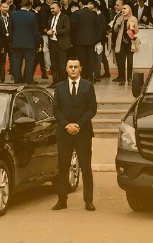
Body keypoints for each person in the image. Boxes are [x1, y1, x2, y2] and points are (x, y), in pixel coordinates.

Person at [51, 57, 96, 212]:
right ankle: (62, 200)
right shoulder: (59, 87)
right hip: (64, 133)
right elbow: (55, 109)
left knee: (86, 167)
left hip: (83, 132)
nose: (73, 69)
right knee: (63, 167)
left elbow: (92, 109)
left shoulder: (88, 86)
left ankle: (88, 201)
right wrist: (66, 125)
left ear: (80, 68)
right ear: (66, 68)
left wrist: (78, 125)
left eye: (75, 67)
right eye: (70, 67)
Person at [9, 0, 39, 85]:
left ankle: (17, 79)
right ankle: (29, 79)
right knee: (29, 62)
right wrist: (37, 43)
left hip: (16, 42)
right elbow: (35, 31)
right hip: (30, 43)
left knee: (17, 62)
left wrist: (11, 40)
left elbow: (10, 29)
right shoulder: (32, 15)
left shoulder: (13, 15)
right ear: (29, 6)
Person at [70, 0, 99, 82]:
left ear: (80, 3)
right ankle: (90, 77)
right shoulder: (93, 14)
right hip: (91, 40)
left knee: (81, 59)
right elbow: (97, 27)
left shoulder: (77, 14)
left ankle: (83, 77)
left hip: (79, 40)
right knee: (90, 59)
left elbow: (73, 28)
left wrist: (73, 41)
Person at [46, 2, 71, 86]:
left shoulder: (65, 17)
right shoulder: (51, 17)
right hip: (53, 43)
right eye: (50, 8)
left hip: (62, 44)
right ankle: (55, 82)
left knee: (62, 65)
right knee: (54, 65)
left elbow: (67, 29)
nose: (51, 10)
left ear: (59, 8)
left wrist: (55, 32)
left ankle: (63, 83)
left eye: (53, 8)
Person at [113, 5, 137, 84]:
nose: (123, 10)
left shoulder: (133, 19)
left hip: (130, 43)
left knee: (130, 61)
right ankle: (122, 78)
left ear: (129, 10)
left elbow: (135, 32)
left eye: (125, 9)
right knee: (121, 61)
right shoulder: (120, 18)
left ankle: (129, 79)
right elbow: (115, 31)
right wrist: (117, 24)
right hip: (121, 43)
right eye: (122, 9)